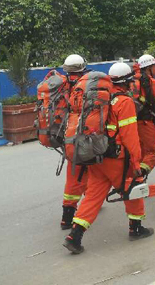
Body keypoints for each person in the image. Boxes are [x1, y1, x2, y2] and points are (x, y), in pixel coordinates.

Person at [63, 62, 153, 254]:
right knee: (132, 187)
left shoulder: (100, 98)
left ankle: (74, 235)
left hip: (96, 156)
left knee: (93, 196)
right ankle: (136, 228)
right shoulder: (124, 102)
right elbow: (130, 135)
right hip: (117, 158)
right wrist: (136, 162)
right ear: (127, 81)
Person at [60, 54, 90, 230]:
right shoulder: (86, 84)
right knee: (87, 170)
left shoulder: (62, 84)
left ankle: (67, 217)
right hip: (83, 133)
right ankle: (87, 204)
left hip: (67, 133)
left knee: (73, 175)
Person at [133, 54, 155, 174]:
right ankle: (139, 176)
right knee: (154, 152)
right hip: (145, 122)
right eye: (154, 66)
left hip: (130, 124)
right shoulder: (153, 83)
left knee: (139, 153)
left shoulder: (131, 81)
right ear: (148, 68)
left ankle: (133, 180)